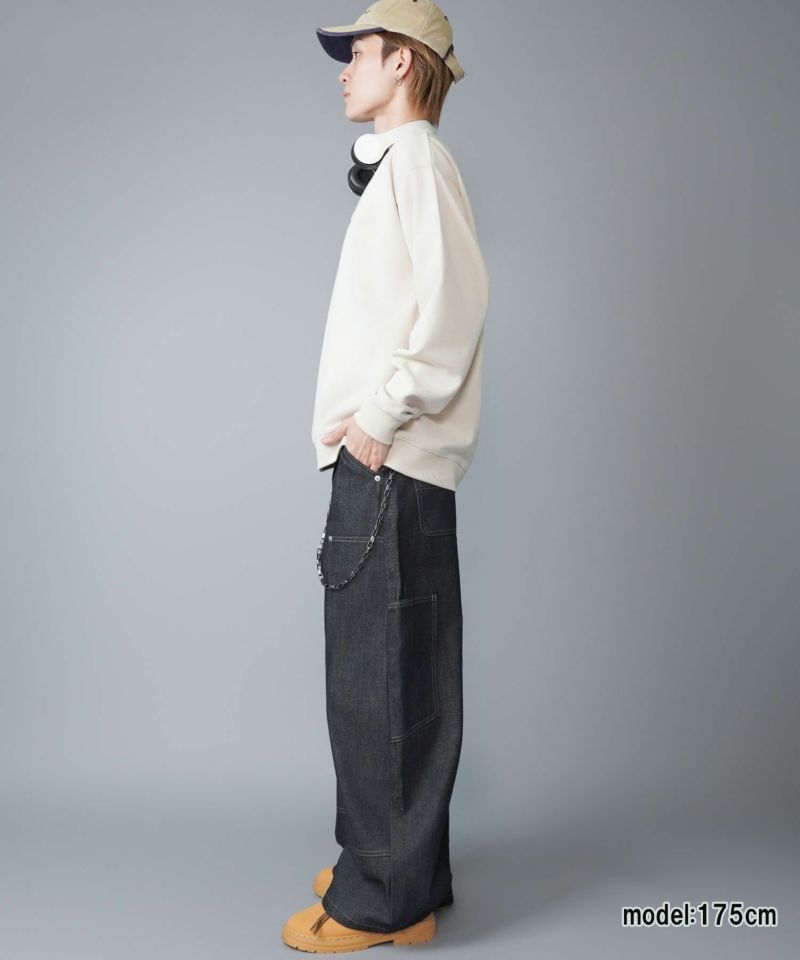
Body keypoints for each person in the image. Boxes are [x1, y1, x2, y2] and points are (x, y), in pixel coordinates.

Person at [281, 0, 489, 951]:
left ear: (402, 63)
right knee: (400, 675)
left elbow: (456, 305)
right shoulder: (401, 166)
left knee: (378, 684)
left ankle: (381, 900)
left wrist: (376, 417)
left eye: (357, 53)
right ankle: (402, 869)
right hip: (389, 460)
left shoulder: (417, 163)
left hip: (388, 459)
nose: (343, 70)